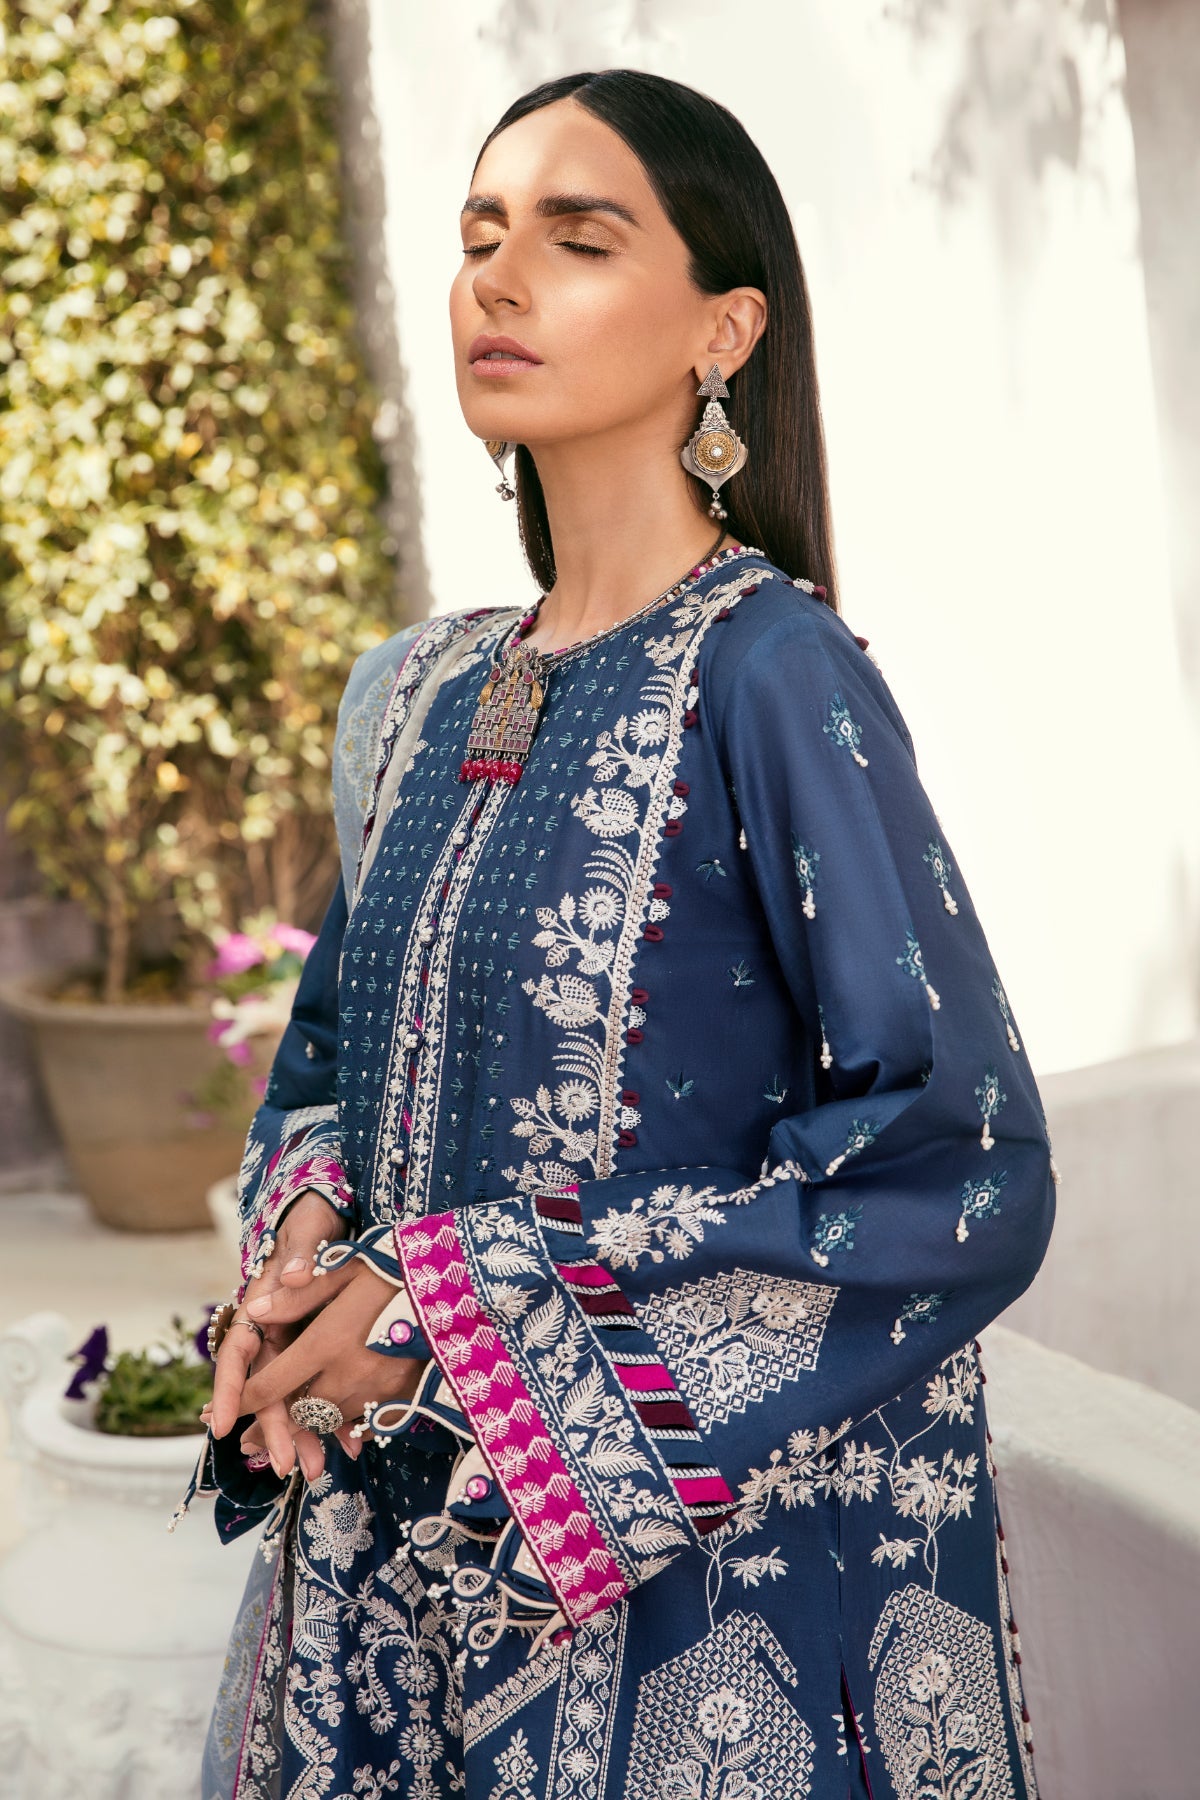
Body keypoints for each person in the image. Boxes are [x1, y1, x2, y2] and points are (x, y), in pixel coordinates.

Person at [184, 68, 1056, 1800]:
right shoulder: (424, 693)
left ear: (723, 330)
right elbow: (334, 1067)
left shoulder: (775, 674)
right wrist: (301, 1275)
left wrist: (458, 1315)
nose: (499, 281)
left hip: (688, 1608)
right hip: (393, 1556)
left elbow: (956, 1166)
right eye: (479, 238)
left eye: (579, 241)